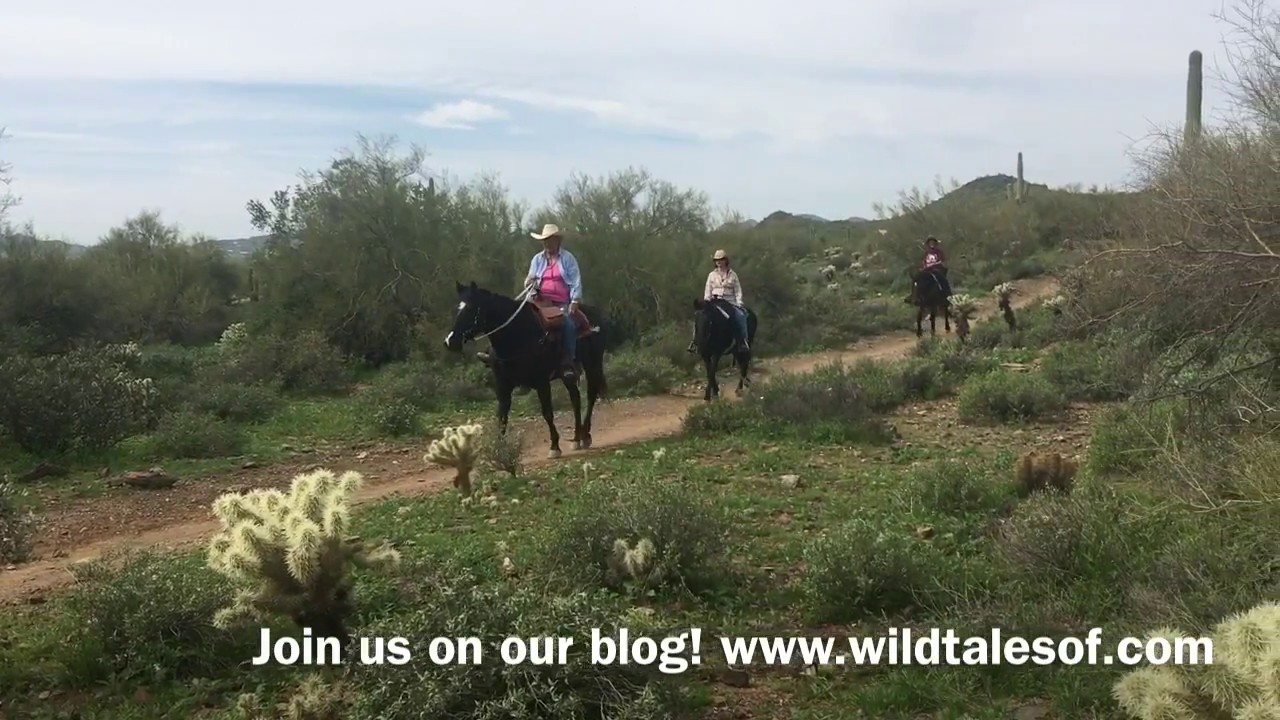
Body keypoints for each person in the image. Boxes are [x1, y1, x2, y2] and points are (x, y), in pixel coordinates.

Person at [526, 223, 583, 380]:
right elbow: (529, 279)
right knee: (522, 319)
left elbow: (575, 281)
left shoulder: (567, 259)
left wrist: (575, 300)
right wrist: (530, 282)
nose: (547, 243)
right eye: (545, 240)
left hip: (561, 303)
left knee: (568, 324)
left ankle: (568, 362)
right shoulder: (537, 259)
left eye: (550, 240)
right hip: (540, 301)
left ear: (558, 241)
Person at [687, 249, 749, 353]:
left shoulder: (733, 275)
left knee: (741, 316)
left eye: (721, 259)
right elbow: (708, 289)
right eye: (716, 260)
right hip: (714, 301)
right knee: (700, 317)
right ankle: (695, 342)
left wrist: (739, 302)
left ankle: (742, 341)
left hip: (729, 302)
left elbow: (738, 290)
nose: (719, 262)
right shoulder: (711, 275)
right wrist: (706, 301)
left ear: (725, 260)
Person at [909, 235, 952, 302]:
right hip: (927, 270)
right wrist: (924, 267)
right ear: (928, 244)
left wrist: (932, 265)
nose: (932, 244)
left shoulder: (939, 252)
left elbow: (941, 261)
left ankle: (947, 294)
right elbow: (924, 262)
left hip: (937, 269)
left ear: (935, 244)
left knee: (942, 279)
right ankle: (914, 296)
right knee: (916, 278)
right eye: (930, 242)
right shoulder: (926, 253)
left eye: (933, 242)